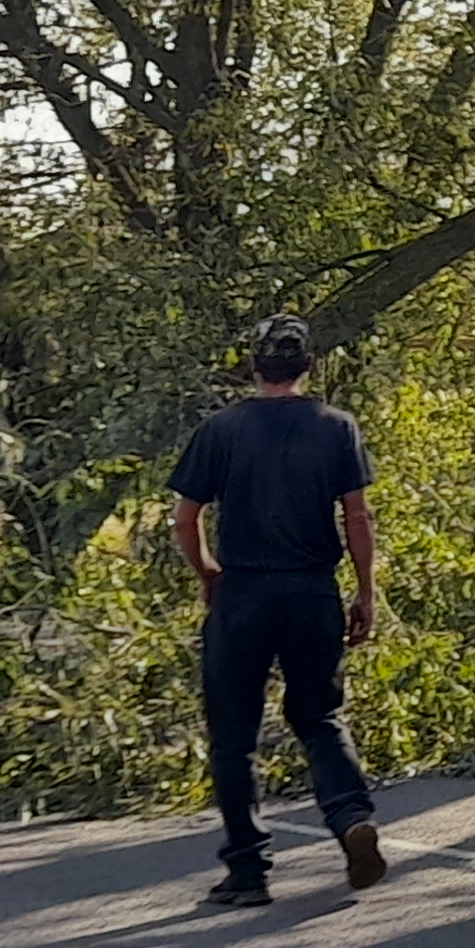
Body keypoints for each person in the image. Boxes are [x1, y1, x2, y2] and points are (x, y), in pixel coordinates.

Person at [168, 316, 389, 910]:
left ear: (253, 366)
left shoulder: (221, 430)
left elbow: (185, 519)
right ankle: (350, 819)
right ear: (308, 366)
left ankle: (247, 870)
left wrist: (207, 571)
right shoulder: (336, 427)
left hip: (242, 593)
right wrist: (364, 592)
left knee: (234, 733)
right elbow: (358, 518)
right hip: (312, 590)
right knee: (320, 715)